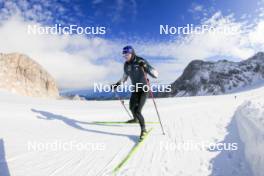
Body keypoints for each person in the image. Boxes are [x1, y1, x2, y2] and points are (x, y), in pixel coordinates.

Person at [111, 45, 158, 140]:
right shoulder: (126, 65)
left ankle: (143, 130)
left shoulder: (141, 60)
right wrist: (117, 84)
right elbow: (124, 78)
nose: (125, 56)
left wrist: (145, 67)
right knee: (131, 107)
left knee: (137, 110)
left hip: (144, 89)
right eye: (124, 55)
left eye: (127, 54)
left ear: (132, 53)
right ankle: (136, 119)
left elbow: (155, 74)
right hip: (135, 89)